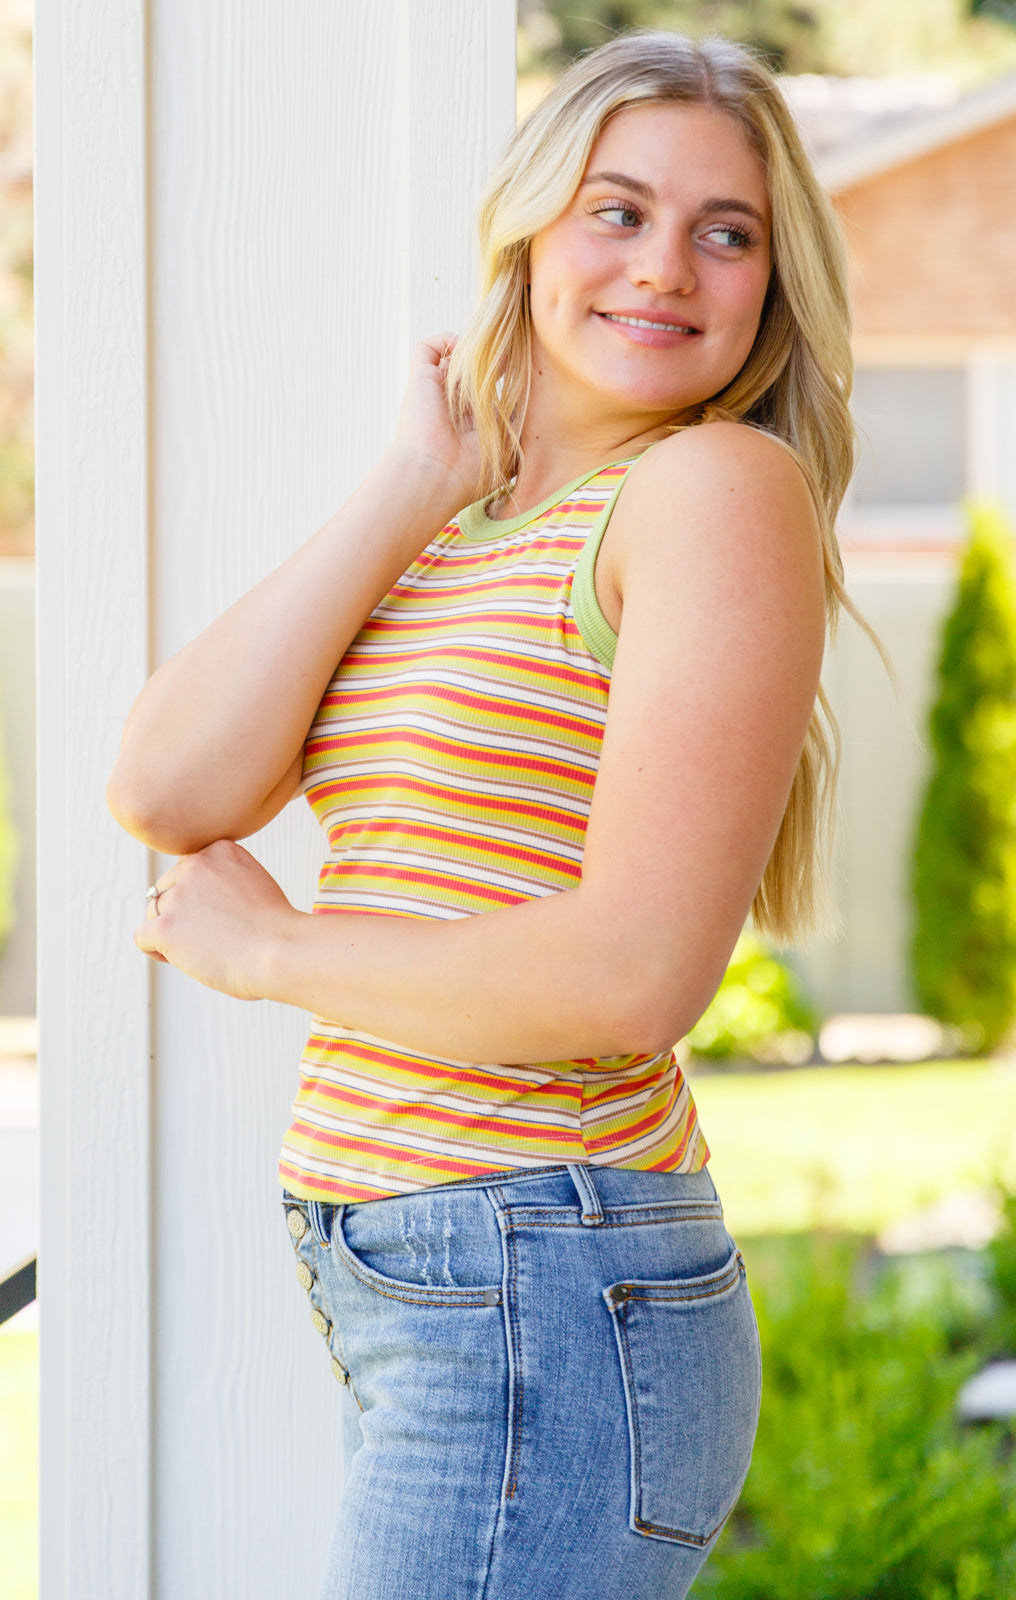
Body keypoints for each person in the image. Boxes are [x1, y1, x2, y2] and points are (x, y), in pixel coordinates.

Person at [109, 29, 857, 1600]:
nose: (665, 266)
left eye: (727, 233)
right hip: (441, 1282)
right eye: (618, 210)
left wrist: (275, 952)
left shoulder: (711, 489)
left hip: (541, 1268)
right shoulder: (468, 528)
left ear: (772, 287)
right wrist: (413, 480)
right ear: (525, 230)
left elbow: (632, 973)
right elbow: (165, 787)